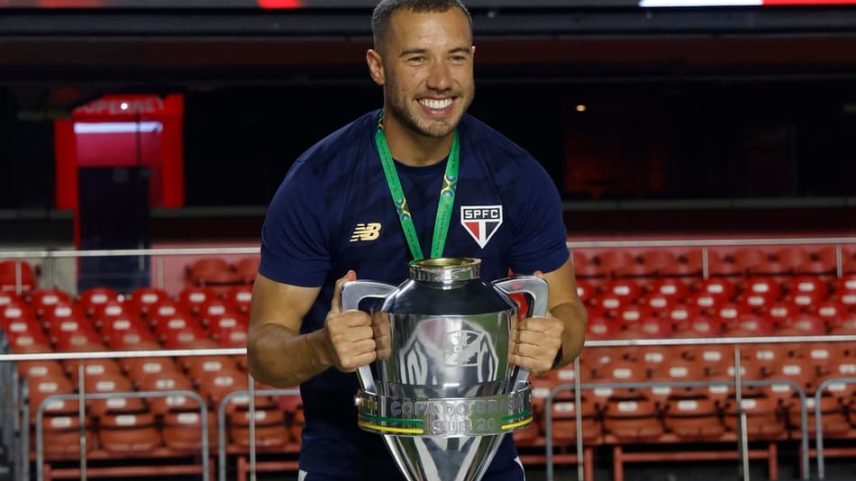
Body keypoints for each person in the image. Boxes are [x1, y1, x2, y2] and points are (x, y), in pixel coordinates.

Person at [247, 1, 587, 480]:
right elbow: (263, 352)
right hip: (348, 463)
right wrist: (323, 347)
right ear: (378, 67)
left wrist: (554, 340)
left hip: (483, 460)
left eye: (455, 57)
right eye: (417, 58)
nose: (441, 80)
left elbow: (569, 312)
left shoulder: (517, 176)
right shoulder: (317, 182)